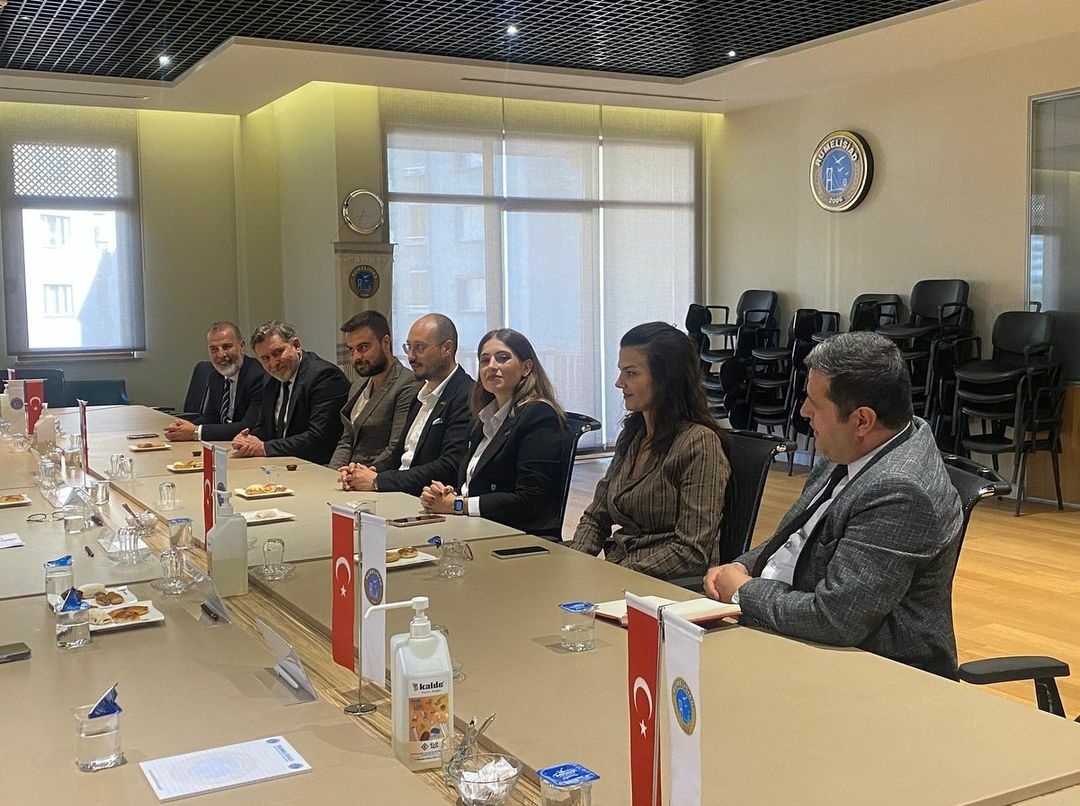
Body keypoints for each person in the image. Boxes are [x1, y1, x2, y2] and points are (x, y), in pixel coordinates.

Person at [703, 331, 964, 678]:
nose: (803, 411)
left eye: (815, 403)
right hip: (793, 627)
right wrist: (738, 567)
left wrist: (744, 592)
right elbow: (794, 537)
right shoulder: (853, 446)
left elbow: (835, 619)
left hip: (872, 670)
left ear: (862, 421)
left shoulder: (900, 491)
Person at [568, 322, 729, 579]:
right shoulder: (633, 436)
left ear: (666, 379)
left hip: (661, 586)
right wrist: (575, 563)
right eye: (621, 372)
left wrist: (613, 575)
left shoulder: (698, 443)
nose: (619, 383)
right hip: (621, 574)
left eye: (631, 373)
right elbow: (596, 517)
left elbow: (692, 552)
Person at [420, 328, 565, 538]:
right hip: (475, 527)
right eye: (485, 360)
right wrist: (443, 495)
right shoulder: (484, 416)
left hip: (516, 535)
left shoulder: (539, 415)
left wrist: (458, 505)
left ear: (526, 367)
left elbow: (529, 500)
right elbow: (476, 483)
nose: (492, 366)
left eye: (503, 358)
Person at [341, 313, 474, 495]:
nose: (411, 356)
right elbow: (399, 454)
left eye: (419, 348)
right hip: (399, 490)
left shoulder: (466, 395)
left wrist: (378, 481)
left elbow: (449, 466)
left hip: (426, 498)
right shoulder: (421, 394)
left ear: (447, 349)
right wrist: (366, 472)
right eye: (408, 347)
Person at [232, 320, 349, 465]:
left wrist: (264, 448)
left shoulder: (325, 376)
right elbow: (265, 426)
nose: (273, 363)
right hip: (281, 462)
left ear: (296, 345)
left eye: (278, 353)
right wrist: (248, 439)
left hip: (316, 465)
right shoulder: (271, 378)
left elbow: (318, 438)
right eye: (265, 358)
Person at [329, 311, 420, 471]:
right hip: (348, 475)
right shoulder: (357, 385)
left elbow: (395, 449)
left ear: (386, 343)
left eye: (363, 347)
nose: (356, 357)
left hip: (377, 476)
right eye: (351, 349)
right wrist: (332, 473)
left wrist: (359, 475)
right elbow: (347, 440)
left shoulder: (408, 383)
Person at [166, 321, 268, 442]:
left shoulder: (258, 376)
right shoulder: (215, 376)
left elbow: (248, 426)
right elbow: (211, 417)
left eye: (226, 347)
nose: (221, 354)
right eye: (214, 349)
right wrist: (182, 427)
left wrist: (196, 432)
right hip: (222, 444)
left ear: (241, 346)